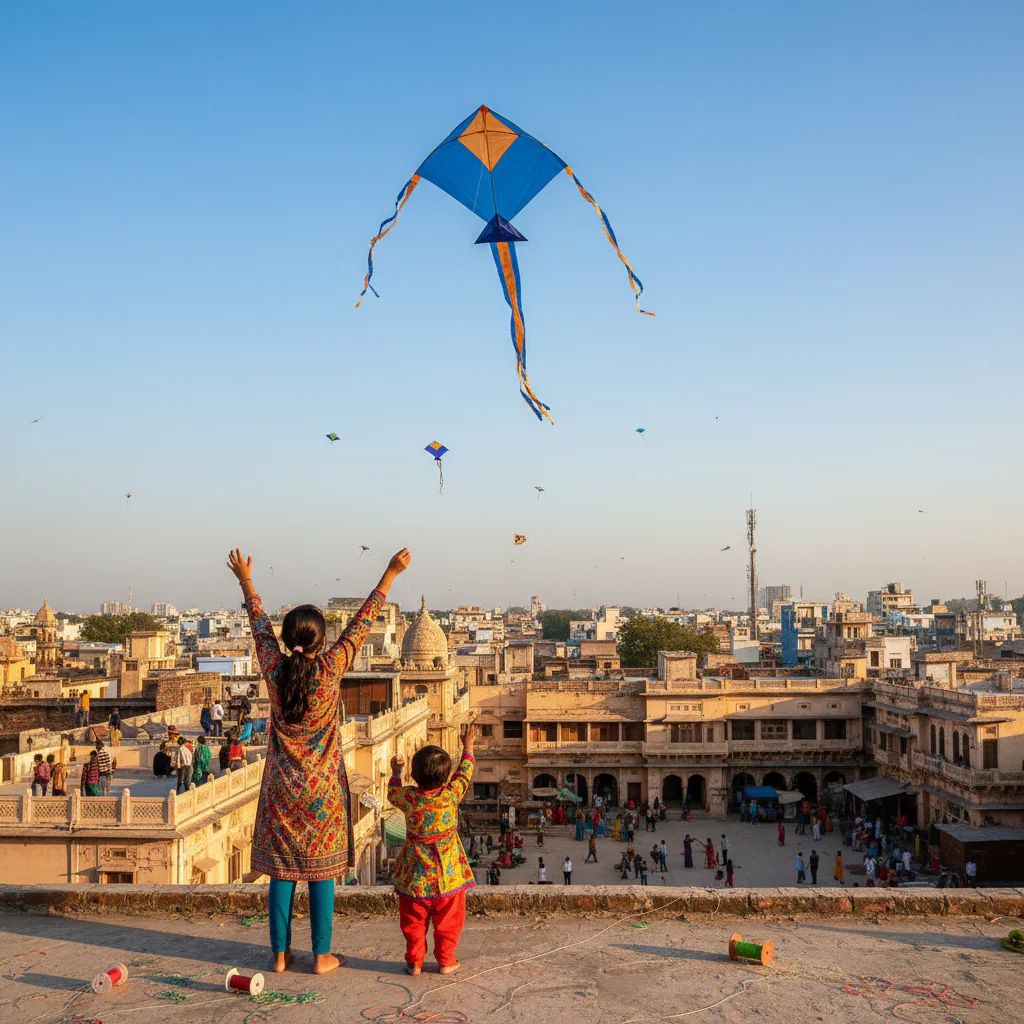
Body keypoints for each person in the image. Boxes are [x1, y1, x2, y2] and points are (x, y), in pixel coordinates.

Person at [230, 544, 410, 977]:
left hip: (280, 788)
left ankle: (279, 955)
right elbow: (362, 625)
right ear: (321, 642)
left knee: (281, 872)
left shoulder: (275, 671)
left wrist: (246, 580)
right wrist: (390, 573)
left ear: (288, 640)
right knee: (321, 871)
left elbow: (259, 627)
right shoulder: (330, 671)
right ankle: (321, 955)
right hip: (323, 790)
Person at [388, 720, 476, 978]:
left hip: (413, 877)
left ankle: (415, 962)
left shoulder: (409, 798)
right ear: (446, 777)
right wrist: (468, 747)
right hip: (448, 876)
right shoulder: (451, 795)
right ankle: (446, 960)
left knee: (413, 923)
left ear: (415, 776)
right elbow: (465, 773)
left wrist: (396, 773)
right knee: (449, 922)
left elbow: (392, 793)